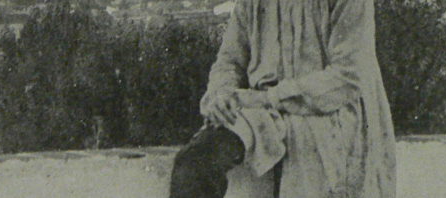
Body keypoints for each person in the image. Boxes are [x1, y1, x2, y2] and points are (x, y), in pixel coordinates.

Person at [169, 0, 396, 197]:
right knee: (194, 163)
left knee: (316, 171)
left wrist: (270, 98)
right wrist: (221, 92)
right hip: (263, 112)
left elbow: (348, 76)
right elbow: (230, 61)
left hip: (329, 110)